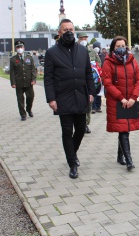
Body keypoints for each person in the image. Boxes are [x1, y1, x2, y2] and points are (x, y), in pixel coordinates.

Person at [44, 18, 95, 179]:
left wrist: (91, 92)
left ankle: (71, 153)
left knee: (80, 129)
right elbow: (48, 78)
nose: (69, 32)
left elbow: (88, 73)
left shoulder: (82, 50)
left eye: (71, 29)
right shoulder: (52, 53)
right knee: (67, 131)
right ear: (59, 33)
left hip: (80, 96)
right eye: (65, 30)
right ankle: (72, 163)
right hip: (63, 97)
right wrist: (51, 99)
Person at [101, 36, 139, 171]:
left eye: (123, 45)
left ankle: (120, 156)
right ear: (113, 47)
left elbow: (138, 80)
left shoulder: (132, 60)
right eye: (118, 46)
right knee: (123, 130)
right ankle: (129, 160)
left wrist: (133, 97)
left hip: (130, 100)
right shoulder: (108, 62)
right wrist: (121, 98)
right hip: (117, 101)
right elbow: (107, 82)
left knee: (125, 129)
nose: (121, 48)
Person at [76, 33, 101, 133]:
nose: (83, 40)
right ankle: (78, 123)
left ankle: (86, 124)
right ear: (78, 39)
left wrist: (94, 67)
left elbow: (99, 63)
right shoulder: (74, 50)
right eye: (81, 38)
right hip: (77, 81)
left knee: (89, 103)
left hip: (90, 81)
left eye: (85, 38)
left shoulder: (91, 51)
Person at [10, 40, 36, 121]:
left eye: (21, 47)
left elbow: (33, 69)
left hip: (28, 82)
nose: (19, 48)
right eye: (18, 47)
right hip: (19, 82)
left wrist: (33, 79)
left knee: (30, 96)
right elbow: (12, 72)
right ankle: (23, 114)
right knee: (20, 99)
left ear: (24, 47)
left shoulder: (29, 58)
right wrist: (13, 83)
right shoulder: (13, 59)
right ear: (16, 48)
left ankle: (29, 109)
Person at [91, 41, 103, 114]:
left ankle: (98, 106)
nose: (97, 48)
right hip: (94, 76)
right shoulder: (91, 54)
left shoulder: (102, 55)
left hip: (100, 75)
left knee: (99, 92)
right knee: (94, 92)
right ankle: (94, 107)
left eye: (98, 47)